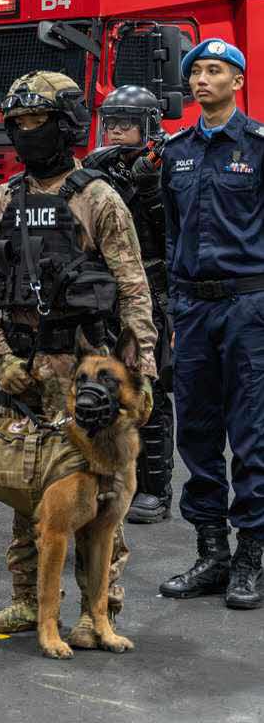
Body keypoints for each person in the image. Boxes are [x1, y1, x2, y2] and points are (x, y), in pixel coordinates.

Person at [0, 71, 157, 641]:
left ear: (67, 125)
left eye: (38, 122)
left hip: (87, 379)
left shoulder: (99, 199)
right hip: (22, 373)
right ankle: (29, 601)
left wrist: (142, 372)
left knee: (102, 499)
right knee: (30, 494)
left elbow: (133, 290)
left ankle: (98, 612)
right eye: (18, 124)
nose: (27, 133)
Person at [158, 39, 264, 609]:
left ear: (238, 82)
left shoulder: (259, 148)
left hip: (249, 306)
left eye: (214, 71)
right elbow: (173, 235)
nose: (202, 80)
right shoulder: (176, 151)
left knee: (251, 433)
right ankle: (212, 553)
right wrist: (176, 307)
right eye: (195, 71)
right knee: (197, 431)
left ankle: (251, 556)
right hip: (193, 308)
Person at [85, 85, 175, 524]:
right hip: (101, 292)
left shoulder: (166, 166)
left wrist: (150, 188)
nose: (118, 131)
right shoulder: (97, 171)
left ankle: (156, 488)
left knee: (149, 388)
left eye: (128, 124)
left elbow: (172, 231)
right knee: (102, 388)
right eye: (112, 123)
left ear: (148, 127)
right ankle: (114, 477)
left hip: (150, 291)